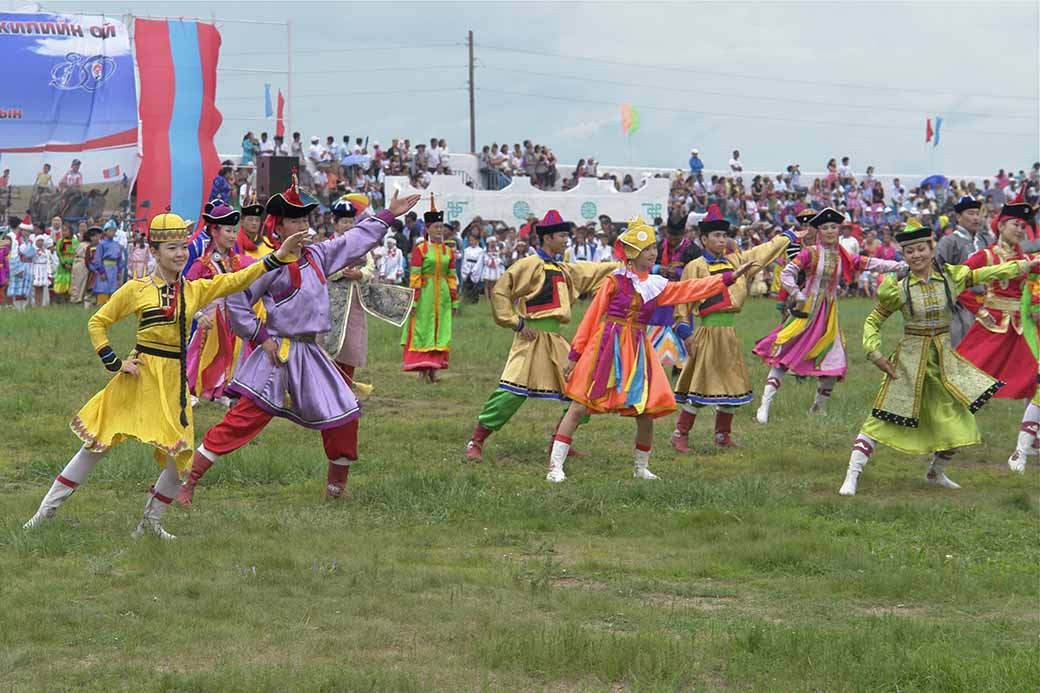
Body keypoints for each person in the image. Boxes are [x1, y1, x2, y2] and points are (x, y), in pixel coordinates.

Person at [22, 211, 306, 537]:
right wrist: (115, 362)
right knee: (97, 444)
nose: (180, 254)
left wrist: (278, 257)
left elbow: (235, 280)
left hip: (173, 380)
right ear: (154, 252)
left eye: (183, 247)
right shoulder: (136, 289)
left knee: (180, 453)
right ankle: (44, 514)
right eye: (171, 248)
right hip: (138, 378)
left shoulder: (194, 290)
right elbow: (98, 323)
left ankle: (151, 524)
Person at [176, 182, 421, 506]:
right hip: (277, 355)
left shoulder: (319, 255)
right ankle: (188, 481)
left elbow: (354, 241)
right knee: (241, 421)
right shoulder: (266, 265)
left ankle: (336, 490)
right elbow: (237, 302)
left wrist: (388, 214)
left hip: (311, 354)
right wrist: (261, 338)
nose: (304, 225)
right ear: (278, 227)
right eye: (295, 220)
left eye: (306, 219)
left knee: (344, 414)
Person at [838, 220, 1036, 497]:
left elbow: (988, 272)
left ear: (931, 249)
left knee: (960, 420)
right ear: (904, 256)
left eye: (921, 249)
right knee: (882, 417)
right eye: (909, 252)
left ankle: (935, 472)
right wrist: (875, 353)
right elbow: (873, 320)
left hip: (944, 361)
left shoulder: (951, 277)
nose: (916, 255)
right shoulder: (898, 287)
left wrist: (1025, 265)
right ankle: (852, 475)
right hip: (908, 362)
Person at [546, 216, 750, 483]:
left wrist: (726, 279)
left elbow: (688, 290)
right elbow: (591, 319)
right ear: (631, 254)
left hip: (639, 348)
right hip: (607, 346)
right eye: (647, 249)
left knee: (646, 411)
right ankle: (555, 467)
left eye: (654, 247)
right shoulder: (614, 281)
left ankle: (641, 467)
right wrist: (575, 356)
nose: (654, 252)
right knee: (579, 406)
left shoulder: (655, 285)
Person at [464, 210, 617, 463]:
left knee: (584, 390)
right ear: (548, 238)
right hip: (531, 339)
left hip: (555, 340)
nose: (566, 240)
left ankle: (560, 440)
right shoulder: (530, 264)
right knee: (510, 394)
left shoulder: (565, 269)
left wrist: (625, 267)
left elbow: (596, 272)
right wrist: (515, 322)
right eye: (562, 235)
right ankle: (476, 441)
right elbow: (502, 290)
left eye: (567, 235)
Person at [753, 208, 906, 422]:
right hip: (805, 313)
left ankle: (818, 408)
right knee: (784, 356)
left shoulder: (843, 255)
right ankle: (765, 405)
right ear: (819, 231)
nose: (830, 231)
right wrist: (796, 294)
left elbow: (871, 263)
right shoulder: (811, 253)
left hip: (829, 316)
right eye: (825, 228)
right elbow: (788, 273)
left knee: (835, 362)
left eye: (834, 227)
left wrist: (902, 265)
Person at [671, 207, 804, 451]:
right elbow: (682, 304)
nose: (722, 240)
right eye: (716, 236)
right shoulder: (695, 267)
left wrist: (788, 237)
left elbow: (761, 254)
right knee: (701, 386)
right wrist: (686, 335)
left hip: (729, 334)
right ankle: (680, 433)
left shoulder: (735, 260)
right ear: (703, 239)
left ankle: (722, 434)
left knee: (732, 385)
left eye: (724, 235)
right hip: (708, 333)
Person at [955, 200, 1039, 401]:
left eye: (1022, 226)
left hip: (1022, 326)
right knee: (968, 378)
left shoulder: (1028, 260)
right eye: (1015, 225)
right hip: (992, 324)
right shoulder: (986, 255)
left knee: (1031, 374)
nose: (1019, 230)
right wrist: (979, 310)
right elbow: (957, 280)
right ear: (1001, 226)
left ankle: (1031, 425)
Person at [184, 201, 248, 406]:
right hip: (210, 317)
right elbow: (186, 291)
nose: (232, 235)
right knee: (199, 352)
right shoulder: (202, 264)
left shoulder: (234, 262)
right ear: (214, 231)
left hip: (230, 318)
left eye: (233, 231)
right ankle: (190, 388)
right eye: (228, 231)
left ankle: (219, 390)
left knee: (227, 351)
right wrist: (198, 315)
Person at [401, 196, 457, 383]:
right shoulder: (421, 249)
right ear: (427, 229)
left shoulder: (448, 251)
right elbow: (415, 276)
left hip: (442, 296)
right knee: (423, 328)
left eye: (442, 227)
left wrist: (454, 299)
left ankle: (435, 370)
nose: (439, 230)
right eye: (436, 227)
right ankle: (422, 370)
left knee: (440, 329)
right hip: (425, 293)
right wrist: (414, 300)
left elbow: (451, 276)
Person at [328, 194, 376, 393]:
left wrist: (360, 273)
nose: (348, 225)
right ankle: (330, 387)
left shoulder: (361, 244)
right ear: (335, 224)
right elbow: (324, 269)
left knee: (352, 343)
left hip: (354, 301)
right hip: (332, 301)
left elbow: (371, 267)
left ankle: (346, 387)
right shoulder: (328, 244)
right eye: (344, 222)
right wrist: (342, 271)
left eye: (350, 221)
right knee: (331, 343)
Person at [648, 213, 703, 370]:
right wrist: (659, 269)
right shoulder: (658, 247)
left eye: (676, 237)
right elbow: (646, 264)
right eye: (670, 236)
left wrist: (679, 272)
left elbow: (697, 271)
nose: (671, 240)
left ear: (683, 235)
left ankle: (680, 366)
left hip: (681, 296)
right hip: (660, 297)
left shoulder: (693, 250)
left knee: (680, 325)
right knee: (657, 328)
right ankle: (655, 361)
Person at [935, 195, 986, 346]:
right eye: (971, 213)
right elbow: (936, 269)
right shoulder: (949, 241)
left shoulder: (983, 240)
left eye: (978, 213)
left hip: (984, 303)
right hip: (960, 305)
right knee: (961, 348)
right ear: (958, 217)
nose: (976, 218)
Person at [90, 220, 125, 305]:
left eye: (114, 230)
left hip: (114, 269)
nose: (112, 232)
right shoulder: (101, 244)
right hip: (105, 268)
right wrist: (101, 272)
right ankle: (101, 305)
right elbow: (98, 259)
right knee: (103, 287)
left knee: (113, 289)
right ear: (105, 232)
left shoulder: (117, 244)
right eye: (110, 230)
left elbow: (120, 259)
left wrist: (119, 271)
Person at [69, 226, 99, 306]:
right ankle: (77, 299)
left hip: (80, 263)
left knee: (79, 282)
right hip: (82, 263)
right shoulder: (86, 245)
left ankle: (78, 299)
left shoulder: (83, 245)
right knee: (80, 283)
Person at [52, 224, 78, 301]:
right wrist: (64, 263)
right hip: (63, 266)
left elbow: (77, 253)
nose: (64, 232)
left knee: (71, 282)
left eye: (66, 230)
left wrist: (71, 263)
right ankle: (62, 300)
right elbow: (59, 253)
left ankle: (70, 300)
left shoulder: (75, 241)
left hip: (72, 265)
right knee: (62, 282)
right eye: (62, 230)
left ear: (70, 231)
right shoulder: (60, 241)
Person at [30, 235, 55, 307]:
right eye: (39, 240)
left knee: (42, 288)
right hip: (37, 269)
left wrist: (49, 273)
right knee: (36, 288)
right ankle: (36, 303)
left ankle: (40, 303)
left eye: (42, 241)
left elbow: (48, 262)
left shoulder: (47, 251)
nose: (40, 242)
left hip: (44, 270)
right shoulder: (33, 250)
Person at [460, 233, 484, 304]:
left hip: (475, 268)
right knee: (467, 285)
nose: (471, 242)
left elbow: (479, 262)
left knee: (475, 286)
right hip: (467, 267)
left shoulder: (480, 251)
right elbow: (464, 260)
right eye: (470, 241)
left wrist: (474, 270)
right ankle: (466, 299)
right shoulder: (467, 250)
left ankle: (474, 300)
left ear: (477, 241)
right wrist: (466, 269)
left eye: (472, 240)